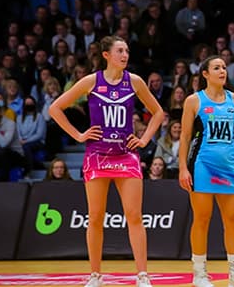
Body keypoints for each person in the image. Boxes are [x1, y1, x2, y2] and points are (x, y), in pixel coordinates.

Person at [47, 36, 165, 287]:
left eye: (127, 51)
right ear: (106, 55)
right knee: (95, 217)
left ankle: (143, 275)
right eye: (120, 51)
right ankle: (95, 275)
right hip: (97, 156)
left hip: (126, 155)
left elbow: (158, 113)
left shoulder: (134, 81)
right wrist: (78, 135)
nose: (125, 55)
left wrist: (144, 139)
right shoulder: (91, 81)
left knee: (134, 216)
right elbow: (55, 108)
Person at [178, 56, 234, 287]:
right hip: (202, 165)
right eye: (216, 68)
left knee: (232, 221)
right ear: (205, 74)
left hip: (230, 166)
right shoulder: (194, 101)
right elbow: (185, 136)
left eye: (224, 67)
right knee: (202, 219)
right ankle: (199, 274)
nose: (222, 71)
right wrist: (183, 168)